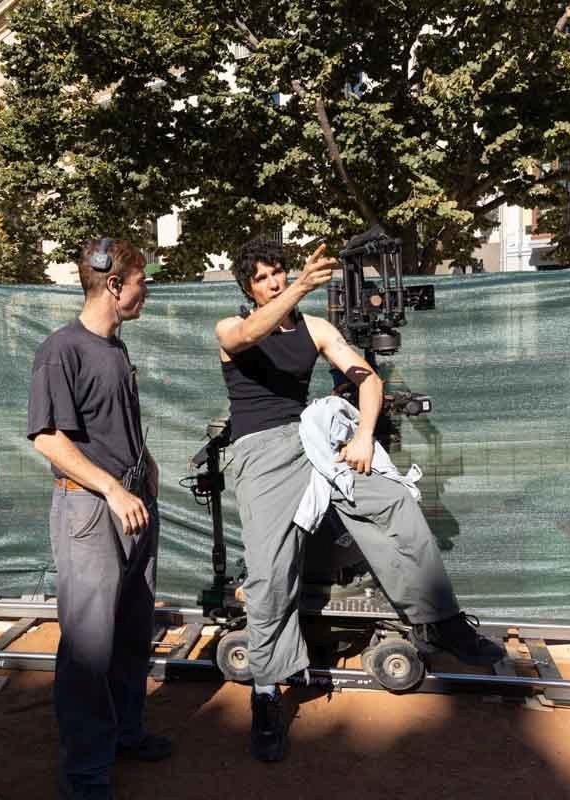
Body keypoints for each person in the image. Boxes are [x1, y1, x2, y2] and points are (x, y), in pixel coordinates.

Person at [216, 238, 505, 763]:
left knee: (395, 500)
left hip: (313, 439)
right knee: (269, 574)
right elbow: (249, 333)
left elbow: (365, 378)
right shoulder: (231, 329)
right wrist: (304, 285)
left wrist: (364, 435)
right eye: (262, 277)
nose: (275, 282)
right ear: (248, 287)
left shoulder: (316, 329)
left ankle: (440, 621)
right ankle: (265, 693)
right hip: (260, 453)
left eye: (279, 272)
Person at [27, 239, 169, 800]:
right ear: (114, 285)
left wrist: (145, 472)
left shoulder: (114, 348)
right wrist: (111, 488)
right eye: (141, 280)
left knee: (133, 632)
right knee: (89, 644)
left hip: (133, 504)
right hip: (91, 509)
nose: (146, 289)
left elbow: (115, 427)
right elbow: (47, 437)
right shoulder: (62, 350)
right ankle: (85, 772)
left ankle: (125, 733)